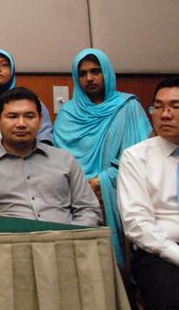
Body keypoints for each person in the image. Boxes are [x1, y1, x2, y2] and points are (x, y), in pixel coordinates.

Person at [54, 48, 151, 265]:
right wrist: (83, 184)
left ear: (107, 72)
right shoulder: (68, 113)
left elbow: (141, 156)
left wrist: (102, 181)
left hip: (121, 191)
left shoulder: (128, 107)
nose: (89, 78)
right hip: (76, 196)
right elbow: (61, 160)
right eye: (83, 73)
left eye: (96, 71)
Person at [0, 87, 100, 226]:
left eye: (29, 116)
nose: (21, 124)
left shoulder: (65, 160)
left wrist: (70, 239)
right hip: (9, 245)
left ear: (40, 120)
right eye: (12, 117)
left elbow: (88, 210)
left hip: (66, 243)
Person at [118, 77, 179, 310]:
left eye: (175, 106)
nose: (165, 114)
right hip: (160, 254)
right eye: (159, 106)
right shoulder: (136, 157)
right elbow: (138, 225)